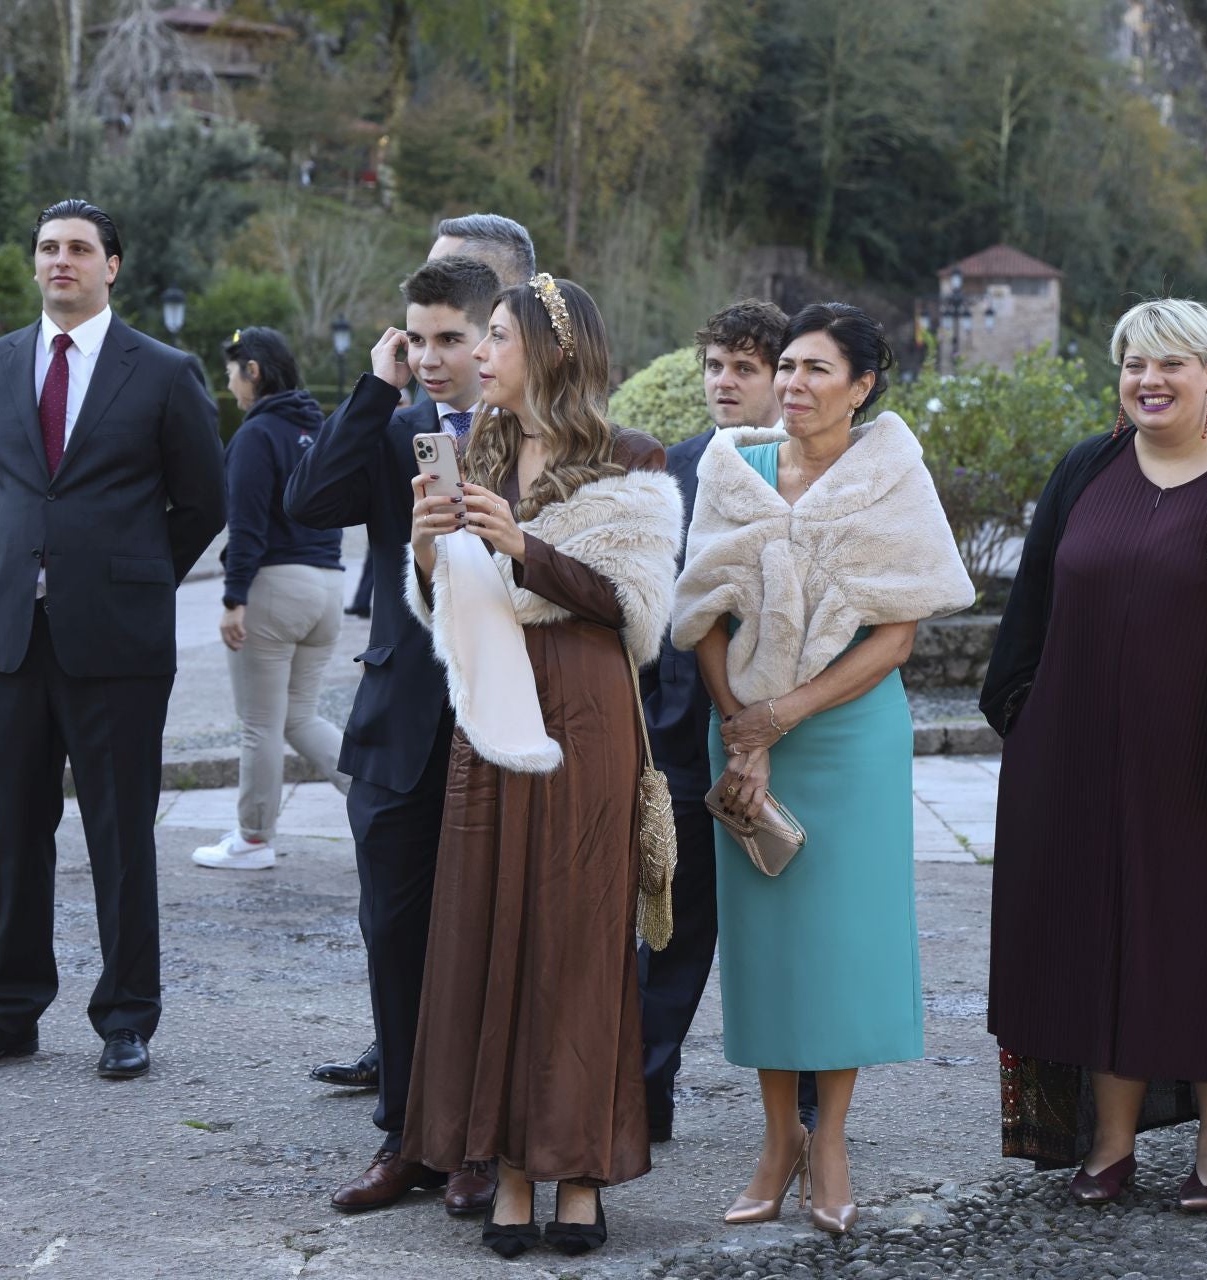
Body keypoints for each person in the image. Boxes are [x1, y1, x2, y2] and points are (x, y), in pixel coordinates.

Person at [982, 297, 1207, 1212]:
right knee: (1099, 941)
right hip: (1079, 760)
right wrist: (1021, 716)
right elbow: (1029, 608)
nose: (1148, 381)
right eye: (1133, 365)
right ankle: (1109, 1146)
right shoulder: (1086, 469)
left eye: (1169, 365)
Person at [673, 303, 974, 1235]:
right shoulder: (735, 469)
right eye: (788, 367)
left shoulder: (892, 475)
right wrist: (742, 727)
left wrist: (783, 717)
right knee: (766, 945)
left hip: (847, 735)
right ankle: (776, 1142)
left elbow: (896, 637)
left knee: (843, 942)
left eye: (814, 370)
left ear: (862, 385)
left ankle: (831, 1140)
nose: (793, 385)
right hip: (743, 730)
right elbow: (702, 614)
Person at [400, 274, 681, 1259]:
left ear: (554, 352)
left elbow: (638, 608)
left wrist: (525, 545)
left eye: (498, 336)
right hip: (492, 706)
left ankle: (582, 1170)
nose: (480, 353)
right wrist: (430, 550)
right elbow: (445, 608)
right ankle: (511, 1166)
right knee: (492, 926)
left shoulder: (630, 459)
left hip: (585, 708)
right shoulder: (479, 447)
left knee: (577, 931)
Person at [0, 199, 226, 1081]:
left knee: (120, 832)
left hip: (118, 643)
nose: (61, 260)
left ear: (113, 267)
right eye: (48, 248)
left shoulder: (166, 371)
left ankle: (126, 1017)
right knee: (15, 833)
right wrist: (2, 572)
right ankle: (9, 1013)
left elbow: (202, 503)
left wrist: (129, 578)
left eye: (79, 249)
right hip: (7, 637)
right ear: (35, 265)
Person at [284, 247, 511, 1211]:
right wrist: (371, 393)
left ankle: (481, 1145)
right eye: (414, 340)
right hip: (397, 718)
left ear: (489, 336)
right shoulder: (392, 423)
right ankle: (405, 1138)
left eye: (450, 339)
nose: (430, 356)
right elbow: (309, 504)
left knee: (495, 938)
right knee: (395, 933)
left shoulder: (533, 432)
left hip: (504, 710)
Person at [636, 298, 818, 1143]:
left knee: (791, 919)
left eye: (743, 367)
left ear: (782, 377)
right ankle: (643, 1095)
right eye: (715, 365)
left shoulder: (817, 470)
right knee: (670, 922)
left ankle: (813, 1103)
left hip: (789, 728)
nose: (723, 381)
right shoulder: (667, 467)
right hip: (676, 727)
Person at [191, 328, 349, 872]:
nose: (228, 385)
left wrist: (233, 598)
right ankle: (383, 804)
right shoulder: (319, 426)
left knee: (259, 722)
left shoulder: (257, 435)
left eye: (232, 373)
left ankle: (253, 840)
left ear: (253, 371)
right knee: (299, 717)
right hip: (327, 584)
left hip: (275, 588)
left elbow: (248, 526)